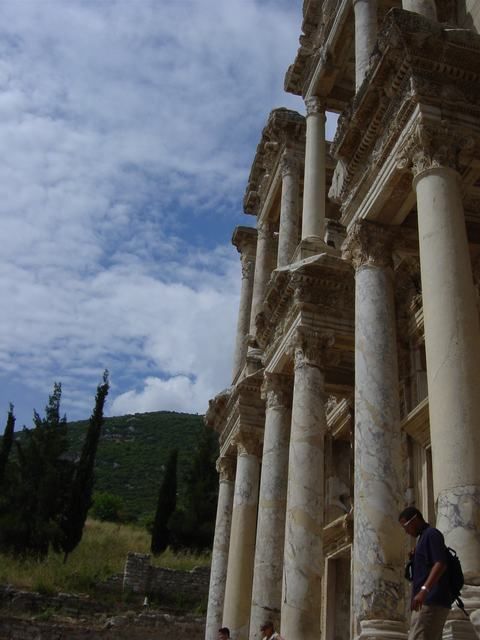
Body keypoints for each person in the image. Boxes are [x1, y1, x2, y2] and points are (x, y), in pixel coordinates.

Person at [399, 506, 451, 640]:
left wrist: (424, 590)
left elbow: (440, 564)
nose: (406, 532)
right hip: (428, 601)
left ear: (415, 519)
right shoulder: (423, 538)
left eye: (406, 527)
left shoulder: (431, 534)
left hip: (431, 601)